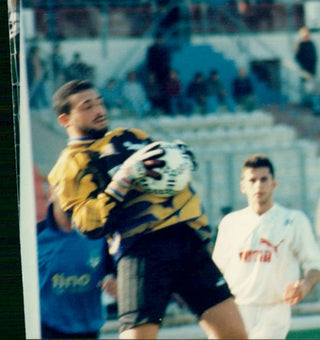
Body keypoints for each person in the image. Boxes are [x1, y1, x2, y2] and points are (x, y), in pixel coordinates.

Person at [46, 79, 247, 338]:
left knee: (237, 335)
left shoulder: (131, 136)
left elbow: (166, 174)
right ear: (65, 119)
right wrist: (124, 178)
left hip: (187, 244)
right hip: (141, 251)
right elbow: (88, 224)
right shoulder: (70, 163)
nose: (99, 111)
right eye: (87, 107)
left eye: (99, 103)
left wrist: (179, 162)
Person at [212, 154, 320, 339]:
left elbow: (317, 265)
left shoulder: (294, 220)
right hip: (235, 309)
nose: (259, 185)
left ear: (274, 183)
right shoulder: (230, 223)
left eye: (264, 179)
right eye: (253, 180)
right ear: (243, 186)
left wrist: (305, 285)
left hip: (273, 311)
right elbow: (216, 270)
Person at [38, 189, 117, 339]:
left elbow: (113, 270)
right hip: (49, 328)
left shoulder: (98, 233)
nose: (71, 196)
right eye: (65, 189)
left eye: (76, 188)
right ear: (51, 193)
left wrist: (113, 278)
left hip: (89, 329)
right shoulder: (35, 237)